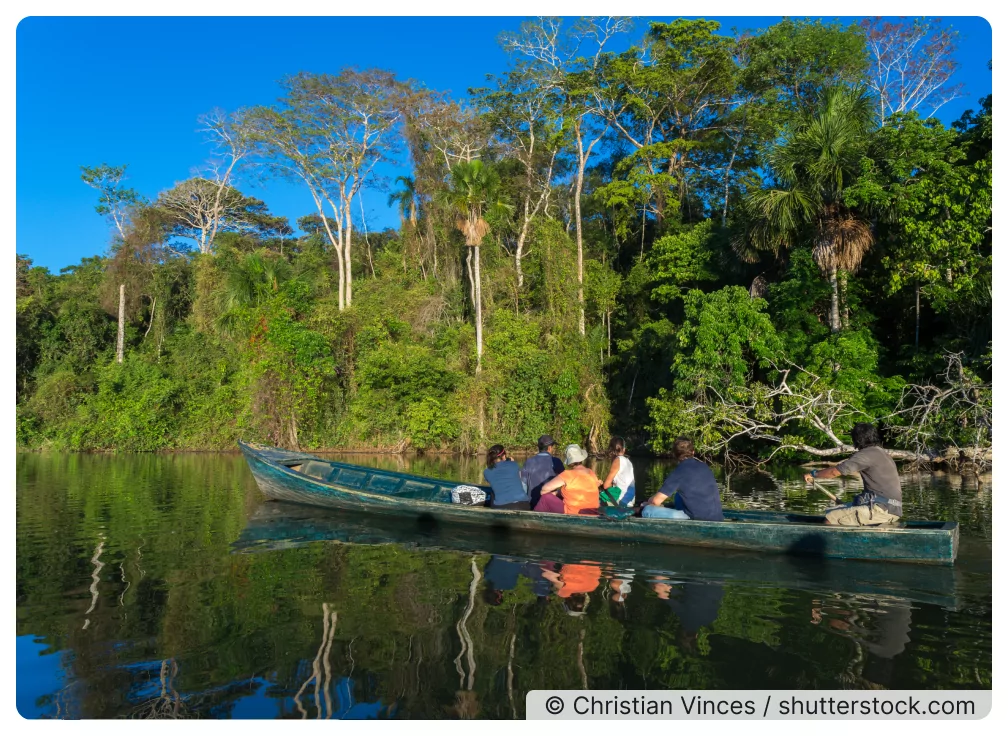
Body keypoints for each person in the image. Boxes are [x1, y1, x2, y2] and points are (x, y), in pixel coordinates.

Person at [802, 423, 902, 526]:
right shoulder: (882, 453)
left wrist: (814, 474)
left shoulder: (866, 454)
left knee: (831, 518)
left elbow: (834, 472)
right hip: (892, 509)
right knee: (832, 510)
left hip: (881, 509)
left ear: (857, 439)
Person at [642, 436, 724, 521]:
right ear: (693, 452)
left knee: (648, 511)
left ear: (674, 455)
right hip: (717, 517)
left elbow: (656, 501)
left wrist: (648, 502)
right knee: (678, 496)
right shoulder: (705, 466)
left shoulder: (679, 471)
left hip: (696, 518)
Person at [536, 444, 601, 515]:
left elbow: (544, 490)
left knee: (546, 497)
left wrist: (556, 492)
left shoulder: (567, 474)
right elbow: (591, 487)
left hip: (573, 512)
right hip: (593, 511)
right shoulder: (590, 472)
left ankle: (535, 519)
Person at [520, 434, 566, 509]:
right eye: (553, 447)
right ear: (549, 448)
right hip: (549, 505)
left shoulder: (528, 461)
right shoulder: (556, 461)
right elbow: (566, 482)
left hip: (532, 503)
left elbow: (523, 485)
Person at [483, 445, 532, 510]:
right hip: (524, 504)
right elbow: (518, 479)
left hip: (502, 507)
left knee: (493, 491)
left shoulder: (486, 472)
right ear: (503, 456)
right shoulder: (514, 464)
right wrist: (511, 462)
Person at [600, 436, 635, 506]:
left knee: (596, 499)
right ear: (624, 449)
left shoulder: (617, 460)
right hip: (631, 501)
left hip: (622, 501)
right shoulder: (628, 462)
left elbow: (606, 485)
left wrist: (599, 485)